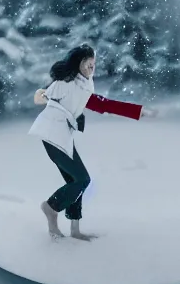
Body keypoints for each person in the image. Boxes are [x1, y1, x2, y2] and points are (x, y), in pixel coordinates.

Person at [29, 44, 152, 240]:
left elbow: (106, 105)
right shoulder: (66, 84)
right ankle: (51, 206)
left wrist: (140, 111)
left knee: (74, 182)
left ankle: (74, 229)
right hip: (52, 134)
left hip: (61, 136)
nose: (91, 68)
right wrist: (42, 94)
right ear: (78, 64)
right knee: (82, 180)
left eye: (93, 65)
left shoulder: (83, 87)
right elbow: (42, 95)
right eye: (88, 64)